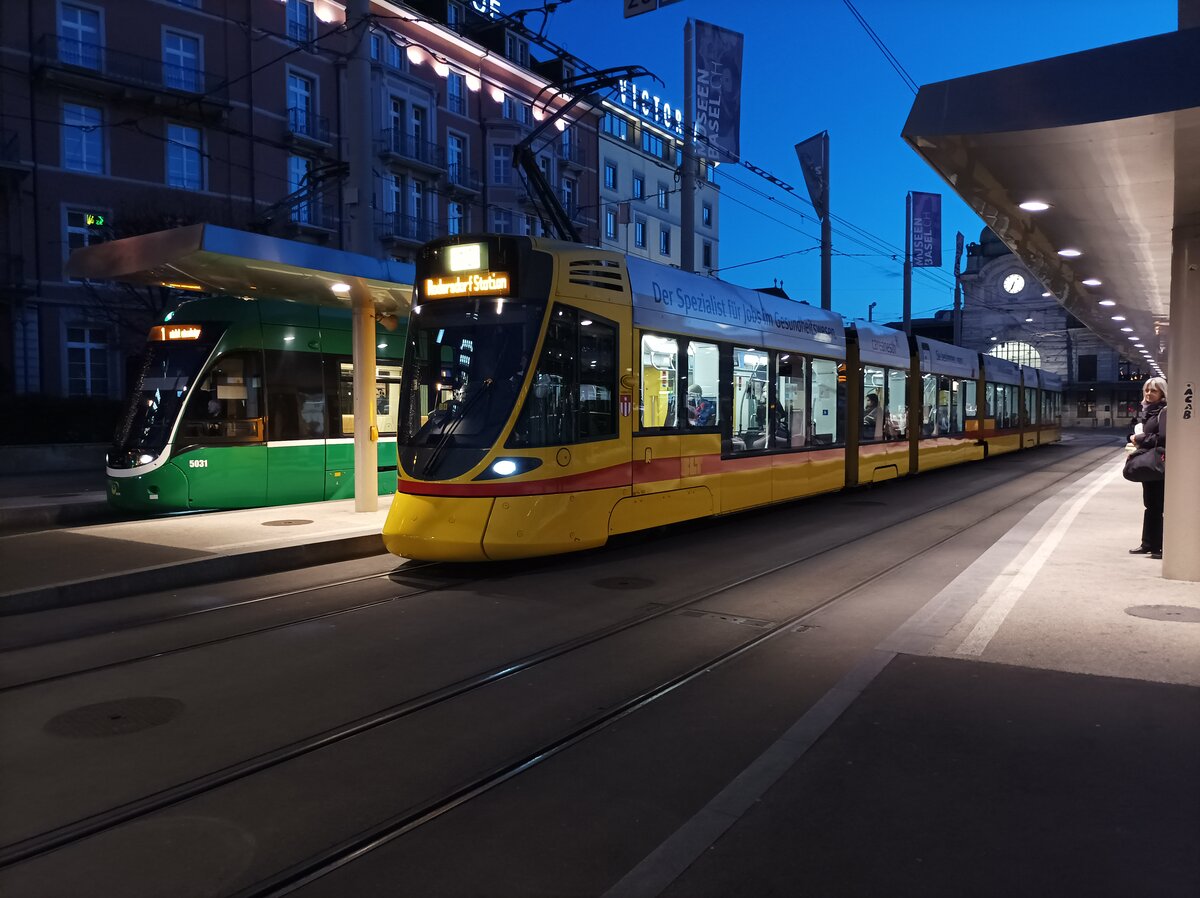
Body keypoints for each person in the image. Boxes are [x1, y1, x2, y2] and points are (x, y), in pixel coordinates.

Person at [1128, 376, 1167, 559]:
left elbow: (1163, 437)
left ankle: (1158, 547)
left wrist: (1139, 438)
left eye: (1154, 390)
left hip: (1159, 461)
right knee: (1150, 504)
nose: (1149, 393)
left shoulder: (1164, 412)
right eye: (1147, 390)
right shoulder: (1149, 411)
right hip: (1149, 460)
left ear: (1162, 393)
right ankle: (1147, 544)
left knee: (1157, 505)